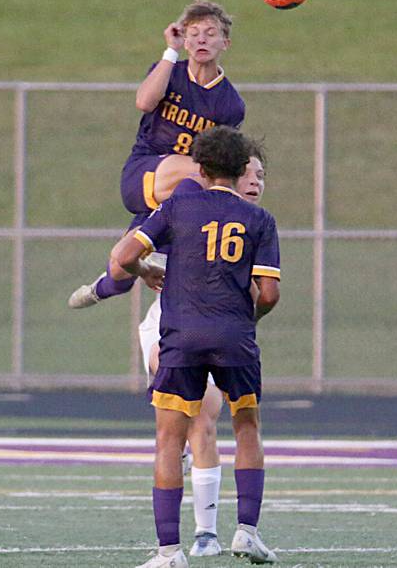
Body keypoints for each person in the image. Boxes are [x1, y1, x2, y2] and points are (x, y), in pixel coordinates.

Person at [110, 126, 280, 568]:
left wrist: (146, 272)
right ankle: (246, 531)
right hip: (234, 337)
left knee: (169, 439)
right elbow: (269, 294)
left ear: (199, 168)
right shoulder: (259, 220)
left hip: (182, 336)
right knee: (246, 427)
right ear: (241, 169)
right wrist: (246, 321)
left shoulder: (179, 204)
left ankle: (170, 552)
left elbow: (125, 255)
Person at [68, 0, 244, 309]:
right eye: (193, 32)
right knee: (203, 171)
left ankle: (100, 288)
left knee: (122, 268)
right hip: (144, 172)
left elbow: (224, 154)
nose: (201, 38)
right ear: (185, 40)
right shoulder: (169, 72)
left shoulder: (230, 104)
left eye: (210, 32)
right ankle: (166, 247)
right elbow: (145, 102)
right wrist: (170, 51)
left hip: (180, 194)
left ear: (226, 43)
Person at [137, 155, 267, 557]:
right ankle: (197, 538)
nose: (256, 182)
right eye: (250, 173)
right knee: (193, 424)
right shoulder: (183, 203)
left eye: (262, 176)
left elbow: (124, 253)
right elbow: (128, 249)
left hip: (209, 333)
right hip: (176, 329)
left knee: (200, 423)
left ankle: (195, 539)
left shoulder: (252, 221)